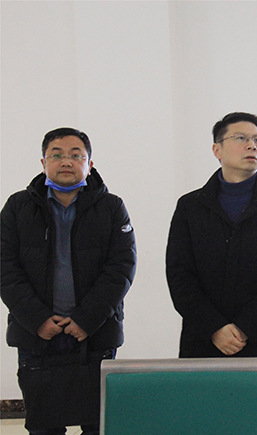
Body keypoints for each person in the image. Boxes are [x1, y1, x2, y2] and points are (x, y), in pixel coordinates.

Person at [1, 127, 136, 435]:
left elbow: (122, 268)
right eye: (57, 155)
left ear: (89, 164)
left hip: (95, 332)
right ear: (43, 163)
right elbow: (5, 268)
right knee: (43, 426)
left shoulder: (111, 207)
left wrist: (86, 319)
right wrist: (38, 319)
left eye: (76, 155)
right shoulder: (18, 207)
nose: (66, 161)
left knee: (98, 424)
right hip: (36, 335)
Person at [166, 112, 257, 358]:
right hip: (203, 341)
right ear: (217, 150)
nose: (252, 145)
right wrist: (215, 329)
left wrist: (243, 329)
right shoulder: (190, 207)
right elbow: (180, 276)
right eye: (241, 138)